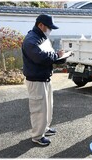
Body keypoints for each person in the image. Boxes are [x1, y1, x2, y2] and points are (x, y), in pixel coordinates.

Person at [22, 14, 66, 145]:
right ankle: (37, 136)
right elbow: (40, 57)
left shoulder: (41, 37)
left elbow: (48, 56)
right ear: (40, 25)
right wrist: (57, 55)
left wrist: (60, 57)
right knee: (38, 109)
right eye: (49, 27)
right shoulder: (31, 40)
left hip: (44, 78)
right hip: (36, 80)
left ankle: (44, 129)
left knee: (47, 107)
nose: (50, 30)